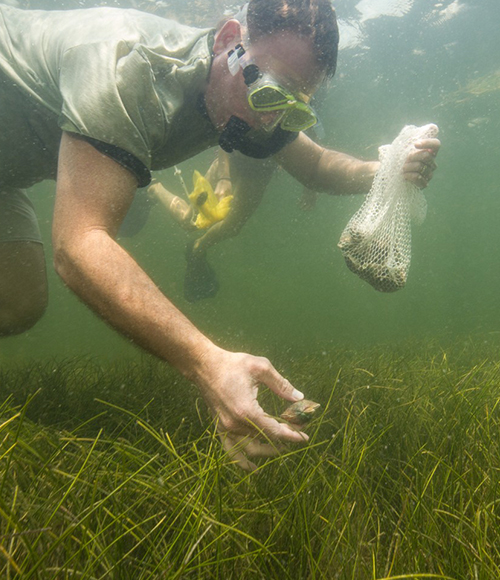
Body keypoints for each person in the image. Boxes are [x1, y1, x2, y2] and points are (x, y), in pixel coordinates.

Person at [0, 0, 439, 470]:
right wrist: (209, 363)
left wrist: (386, 168)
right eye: (270, 94)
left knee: (19, 303)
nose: (270, 122)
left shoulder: (247, 90)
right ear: (230, 41)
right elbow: (80, 243)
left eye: (293, 108)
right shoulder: (128, 66)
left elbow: (313, 164)